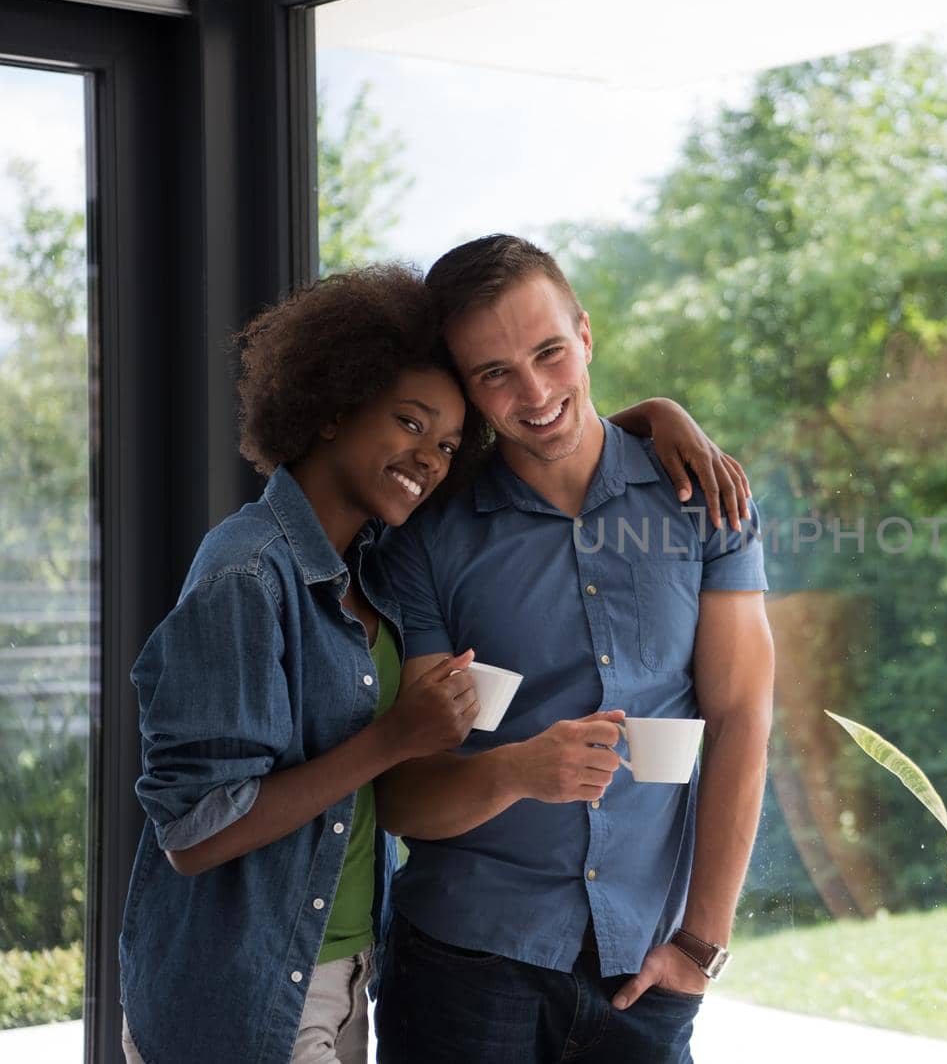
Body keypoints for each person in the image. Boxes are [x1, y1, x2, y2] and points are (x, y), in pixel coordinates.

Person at [118, 263, 747, 1064]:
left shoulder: (371, 558)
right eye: (409, 424)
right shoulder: (248, 574)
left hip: (344, 961)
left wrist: (657, 416)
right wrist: (401, 740)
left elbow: (548, 439)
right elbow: (192, 834)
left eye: (447, 443)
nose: (429, 458)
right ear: (331, 410)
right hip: (249, 981)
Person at [372, 235, 775, 1064]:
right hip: (462, 970)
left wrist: (701, 945)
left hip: (646, 974)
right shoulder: (427, 543)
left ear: (585, 336)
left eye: (550, 352)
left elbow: (741, 719)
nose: (536, 391)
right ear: (466, 389)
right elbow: (404, 797)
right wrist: (514, 771)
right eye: (495, 374)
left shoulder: (705, 502)